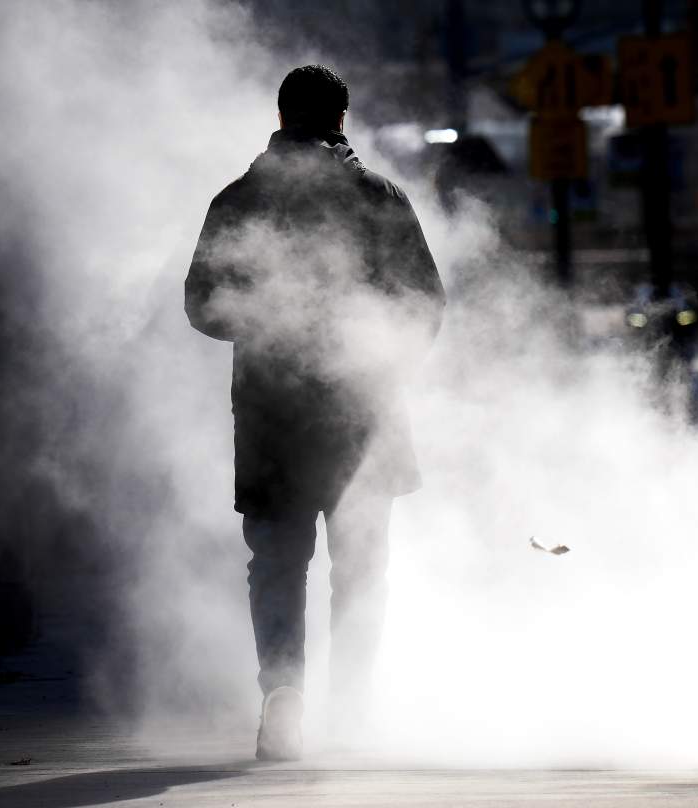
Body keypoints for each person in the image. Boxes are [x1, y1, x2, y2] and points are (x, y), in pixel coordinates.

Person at [184, 65, 444, 761]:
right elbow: (425, 303)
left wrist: (267, 326)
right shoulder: (380, 198)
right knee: (360, 569)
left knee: (276, 563)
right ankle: (352, 712)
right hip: (365, 414)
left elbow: (201, 306)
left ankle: (283, 695)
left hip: (271, 415)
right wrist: (381, 358)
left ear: (281, 114)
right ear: (340, 120)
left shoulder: (238, 201)